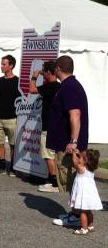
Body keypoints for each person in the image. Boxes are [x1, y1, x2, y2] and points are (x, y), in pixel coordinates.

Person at [49, 56, 89, 227]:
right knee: (73, 180)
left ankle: (76, 217)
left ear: (58, 68)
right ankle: (76, 214)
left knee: (72, 180)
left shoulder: (70, 87)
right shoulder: (69, 85)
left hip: (70, 146)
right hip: (68, 143)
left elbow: (75, 115)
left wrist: (73, 141)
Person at [29, 61, 61, 193]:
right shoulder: (59, 86)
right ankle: (54, 180)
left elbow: (32, 90)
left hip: (48, 126)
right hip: (57, 125)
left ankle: (53, 183)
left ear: (49, 72)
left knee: (48, 154)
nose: (43, 73)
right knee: (54, 155)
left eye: (44, 71)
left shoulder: (51, 86)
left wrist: (34, 76)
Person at [69, 149, 103, 235]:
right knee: (89, 211)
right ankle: (90, 225)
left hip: (83, 194)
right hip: (89, 193)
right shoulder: (90, 170)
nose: (79, 158)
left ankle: (83, 228)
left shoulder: (81, 169)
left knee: (83, 212)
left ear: (86, 161)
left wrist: (73, 154)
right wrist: (80, 156)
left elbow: (75, 162)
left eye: (81, 158)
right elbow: (80, 161)